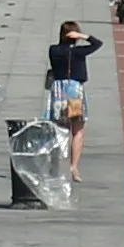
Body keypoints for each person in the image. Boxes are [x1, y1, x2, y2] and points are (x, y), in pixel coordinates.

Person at [43, 19, 103, 182]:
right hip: (74, 92)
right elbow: (97, 44)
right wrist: (84, 36)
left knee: (59, 130)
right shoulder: (78, 52)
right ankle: (73, 166)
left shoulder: (53, 50)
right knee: (78, 130)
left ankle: (56, 165)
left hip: (58, 92)